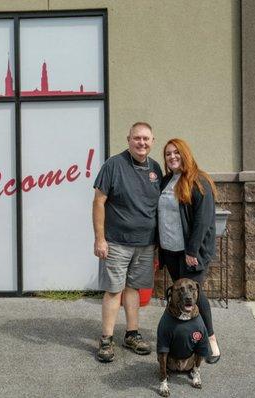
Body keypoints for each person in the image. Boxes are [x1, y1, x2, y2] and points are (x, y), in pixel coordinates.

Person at [92, 121, 163, 363]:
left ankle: (131, 334)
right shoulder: (114, 165)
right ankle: (106, 339)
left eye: (146, 139)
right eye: (137, 138)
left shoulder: (156, 169)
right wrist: (99, 239)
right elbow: (98, 202)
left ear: (152, 142)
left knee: (133, 288)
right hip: (117, 242)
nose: (141, 143)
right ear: (128, 139)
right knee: (114, 289)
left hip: (145, 244)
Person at [157, 138, 221, 364]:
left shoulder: (198, 181)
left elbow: (203, 222)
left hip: (190, 252)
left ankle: (210, 339)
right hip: (171, 251)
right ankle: (188, 338)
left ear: (185, 154)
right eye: (167, 154)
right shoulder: (166, 181)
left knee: (196, 294)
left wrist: (192, 251)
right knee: (184, 296)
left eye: (176, 152)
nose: (172, 157)